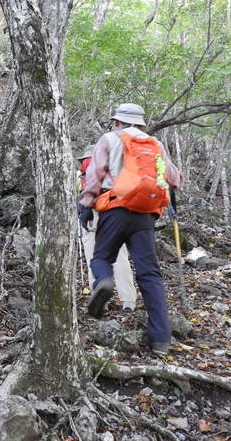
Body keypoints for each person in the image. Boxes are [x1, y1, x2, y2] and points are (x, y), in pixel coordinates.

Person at [79, 103, 184, 355]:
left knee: (102, 257)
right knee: (149, 274)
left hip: (115, 208)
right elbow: (174, 178)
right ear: (142, 124)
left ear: (117, 122)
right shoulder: (155, 144)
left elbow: (95, 174)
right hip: (146, 215)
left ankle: (104, 283)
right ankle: (161, 339)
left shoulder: (109, 139)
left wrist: (86, 204)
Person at [77, 144, 137, 313]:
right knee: (119, 257)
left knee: (92, 259)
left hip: (88, 218)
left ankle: (100, 301)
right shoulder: (113, 170)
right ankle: (128, 302)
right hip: (113, 215)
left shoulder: (81, 174)